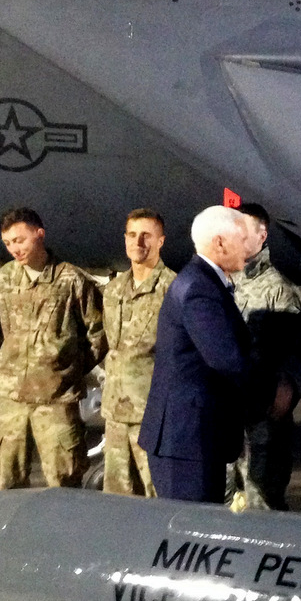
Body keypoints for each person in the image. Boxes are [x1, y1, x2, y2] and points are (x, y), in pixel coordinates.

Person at [139, 205, 255, 503]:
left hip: (191, 437)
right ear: (219, 242)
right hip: (187, 439)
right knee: (188, 530)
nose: (249, 245)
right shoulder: (199, 288)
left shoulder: (203, 280)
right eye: (242, 238)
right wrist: (273, 392)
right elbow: (225, 358)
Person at [0, 207, 104, 490]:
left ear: (40, 234)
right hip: (12, 398)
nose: (15, 249)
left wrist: (67, 366)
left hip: (56, 399)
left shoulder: (71, 280)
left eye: (20, 240)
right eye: (9, 243)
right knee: (7, 478)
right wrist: (13, 358)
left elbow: (98, 332)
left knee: (64, 481)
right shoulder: (3, 279)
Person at [227, 202, 301, 511]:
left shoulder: (279, 290)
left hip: (263, 426)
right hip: (226, 421)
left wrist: (289, 385)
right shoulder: (222, 283)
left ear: (261, 237)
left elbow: (298, 352)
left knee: (263, 509)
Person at [98, 208, 176, 497]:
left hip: (153, 413)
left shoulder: (174, 288)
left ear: (160, 241)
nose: (138, 242)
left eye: (146, 236)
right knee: (117, 496)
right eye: (132, 235)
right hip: (116, 411)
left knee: (157, 494)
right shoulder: (114, 290)